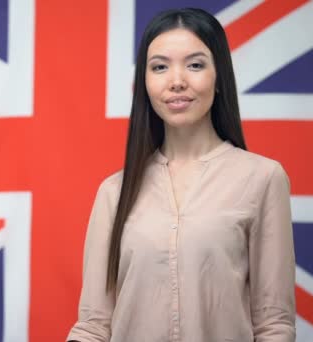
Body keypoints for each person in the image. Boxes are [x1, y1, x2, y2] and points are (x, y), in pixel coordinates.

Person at [67, 8, 296, 342]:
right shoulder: (113, 192)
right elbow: (93, 326)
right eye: (160, 67)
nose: (177, 81)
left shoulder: (263, 178)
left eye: (195, 64)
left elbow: (274, 324)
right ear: (144, 83)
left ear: (219, 77)